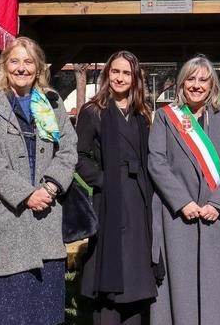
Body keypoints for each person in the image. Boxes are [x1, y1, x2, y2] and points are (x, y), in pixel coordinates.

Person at [0, 37, 77, 325]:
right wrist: (26, 194)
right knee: (5, 313)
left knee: (45, 312)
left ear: (39, 67)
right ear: (4, 65)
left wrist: (50, 186)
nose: (21, 67)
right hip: (8, 217)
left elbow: (68, 149)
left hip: (46, 216)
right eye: (15, 61)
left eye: (28, 61)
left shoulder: (52, 105)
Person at [148, 55, 220, 325]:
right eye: (191, 79)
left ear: (212, 85)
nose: (197, 85)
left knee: (219, 284)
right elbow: (156, 161)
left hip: (217, 214)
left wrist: (218, 203)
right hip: (179, 216)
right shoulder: (166, 118)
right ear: (182, 83)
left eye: (203, 79)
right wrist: (182, 202)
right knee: (182, 285)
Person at [76, 50, 159, 324]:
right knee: (111, 265)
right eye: (115, 72)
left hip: (138, 198)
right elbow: (79, 155)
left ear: (135, 78)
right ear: (107, 75)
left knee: (136, 263)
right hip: (109, 199)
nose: (120, 78)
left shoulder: (142, 113)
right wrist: (102, 179)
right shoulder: (93, 111)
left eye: (126, 73)